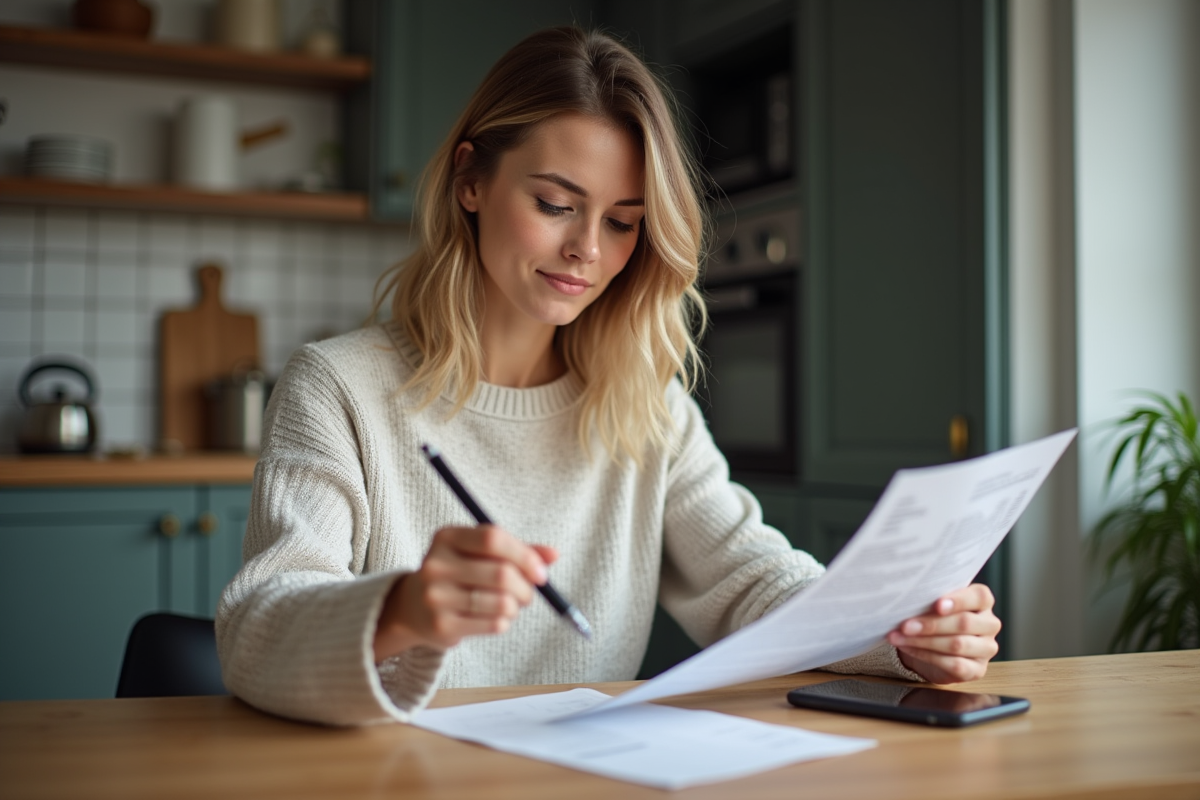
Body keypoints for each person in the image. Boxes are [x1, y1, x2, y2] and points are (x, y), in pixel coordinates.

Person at [216, 26, 1001, 726]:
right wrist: (403, 609)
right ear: (471, 181)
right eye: (557, 203)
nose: (589, 249)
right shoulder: (339, 387)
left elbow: (748, 578)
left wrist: (900, 632)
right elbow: (256, 627)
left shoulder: (644, 403)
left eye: (623, 222)